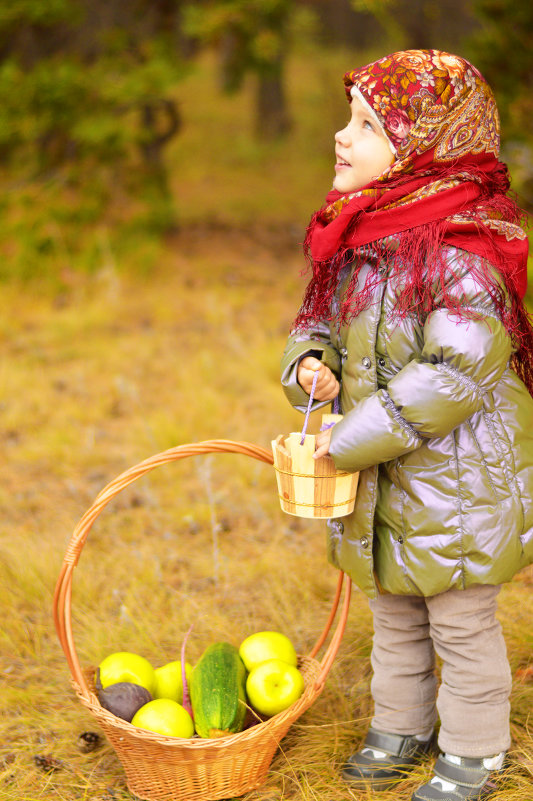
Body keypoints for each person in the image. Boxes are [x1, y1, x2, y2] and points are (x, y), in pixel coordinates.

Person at [280, 49, 533, 801]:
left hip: (457, 487)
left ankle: (473, 748)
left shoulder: (462, 249)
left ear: (424, 144)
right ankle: (400, 725)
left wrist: (346, 439)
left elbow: (451, 375)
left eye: (365, 124)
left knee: (456, 623)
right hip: (386, 479)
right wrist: (310, 363)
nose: (340, 136)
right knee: (391, 611)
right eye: (347, 117)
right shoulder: (365, 235)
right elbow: (318, 320)